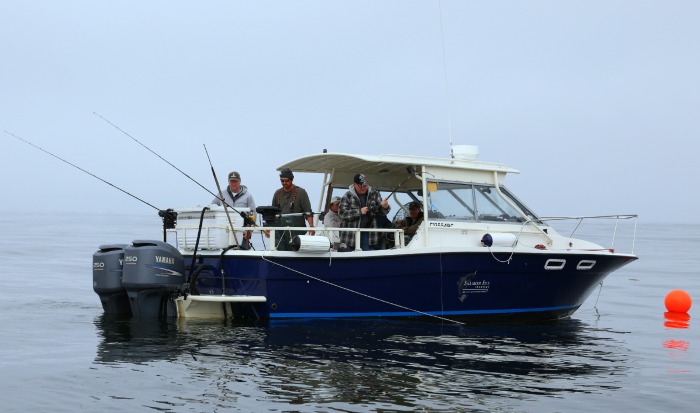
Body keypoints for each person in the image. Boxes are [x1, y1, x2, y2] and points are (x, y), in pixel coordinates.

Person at [338, 173, 390, 251]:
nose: (363, 188)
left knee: (368, 257)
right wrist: (359, 211)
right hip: (350, 236)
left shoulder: (375, 194)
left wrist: (385, 206)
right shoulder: (347, 196)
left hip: (368, 234)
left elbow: (382, 212)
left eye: (365, 185)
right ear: (354, 184)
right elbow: (342, 214)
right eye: (360, 186)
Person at [270, 168, 315, 251]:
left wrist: (311, 227)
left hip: (296, 232)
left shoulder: (301, 192)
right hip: (280, 231)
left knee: (295, 251)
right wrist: (269, 228)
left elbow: (308, 212)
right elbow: (272, 213)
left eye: (286, 181)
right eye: (282, 181)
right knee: (279, 251)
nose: (284, 183)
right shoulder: (277, 193)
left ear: (292, 179)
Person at [211, 171, 256, 249]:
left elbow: (253, 214)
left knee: (243, 250)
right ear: (228, 182)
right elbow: (212, 207)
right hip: (224, 231)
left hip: (241, 231)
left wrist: (250, 231)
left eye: (235, 181)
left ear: (240, 181)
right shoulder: (221, 194)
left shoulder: (248, 196)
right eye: (231, 181)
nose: (233, 184)